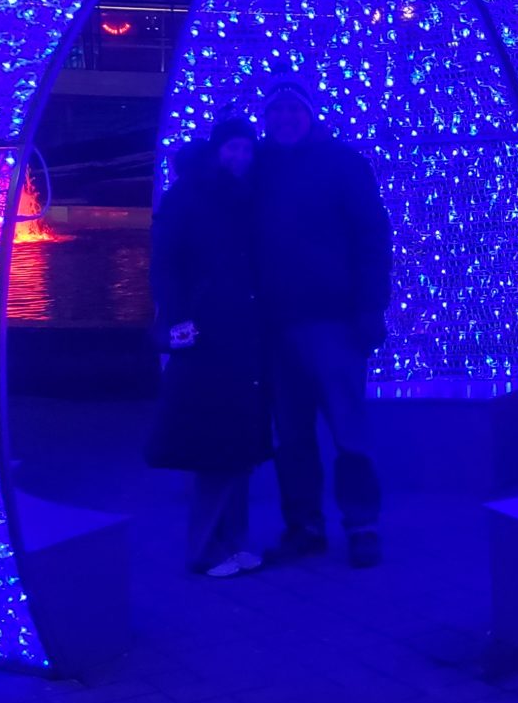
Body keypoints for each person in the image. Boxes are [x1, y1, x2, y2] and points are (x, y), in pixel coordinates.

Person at [254, 79, 393, 568]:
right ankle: (305, 525)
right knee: (290, 435)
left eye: (293, 110)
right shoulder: (259, 168)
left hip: (335, 322)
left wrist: (370, 307)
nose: (285, 119)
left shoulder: (343, 164)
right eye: (276, 112)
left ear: (309, 115)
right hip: (276, 325)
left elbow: (373, 237)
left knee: (348, 428)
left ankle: (362, 525)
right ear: (266, 119)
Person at [145, 120, 271, 578]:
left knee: (237, 441)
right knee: (215, 441)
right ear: (217, 151)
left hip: (242, 332)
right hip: (207, 334)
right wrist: (179, 326)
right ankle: (204, 548)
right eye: (232, 149)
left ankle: (233, 541)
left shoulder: (241, 196)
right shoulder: (191, 196)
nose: (240, 157)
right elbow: (166, 267)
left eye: (246, 149)